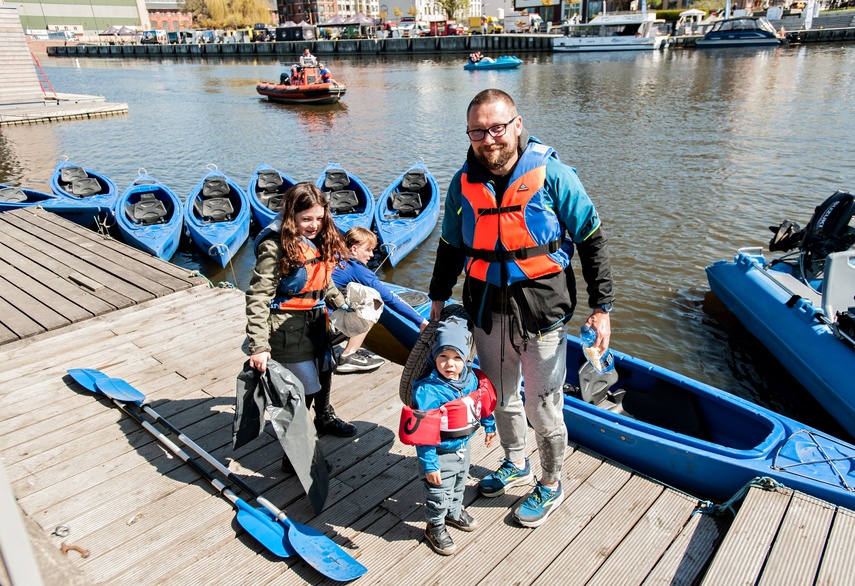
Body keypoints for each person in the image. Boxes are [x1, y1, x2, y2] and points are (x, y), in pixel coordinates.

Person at [428, 89, 614, 528]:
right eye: (478, 131)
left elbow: (591, 239)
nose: (489, 139)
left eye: (497, 128)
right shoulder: (461, 183)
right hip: (487, 308)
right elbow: (450, 246)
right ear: (469, 134)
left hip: (542, 312)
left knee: (544, 407)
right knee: (499, 396)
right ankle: (516, 461)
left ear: (516, 124)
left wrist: (602, 306)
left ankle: (551, 482)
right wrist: (438, 297)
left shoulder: (554, 174)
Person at [246, 182, 358, 457]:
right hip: (286, 330)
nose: (314, 225)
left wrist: (343, 306)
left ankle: (324, 417)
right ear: (291, 215)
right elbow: (258, 296)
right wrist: (259, 345)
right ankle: (296, 454)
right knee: (302, 390)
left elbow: (322, 281)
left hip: (317, 321)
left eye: (319, 218)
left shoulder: (319, 239)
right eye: (306, 218)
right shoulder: (275, 246)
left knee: (324, 371)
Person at [410, 317, 496, 555]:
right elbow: (423, 433)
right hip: (438, 452)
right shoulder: (428, 390)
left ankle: (454, 512)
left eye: (457, 357)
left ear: (467, 357)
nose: (450, 364)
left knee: (459, 483)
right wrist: (430, 465)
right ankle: (435, 526)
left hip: (462, 446)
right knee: (437, 491)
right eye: (443, 357)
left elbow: (480, 403)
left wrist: (489, 425)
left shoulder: (470, 379)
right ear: (434, 357)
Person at [331, 226, 428, 372]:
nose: (371, 255)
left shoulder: (334, 257)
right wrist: (420, 321)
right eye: (368, 250)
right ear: (354, 249)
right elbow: (390, 298)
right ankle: (348, 356)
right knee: (374, 301)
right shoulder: (357, 270)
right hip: (328, 329)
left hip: (313, 322)